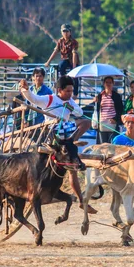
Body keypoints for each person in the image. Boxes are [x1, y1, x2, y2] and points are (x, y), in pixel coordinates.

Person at [19, 75, 96, 214]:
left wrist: (70, 107)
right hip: (53, 133)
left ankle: (80, 201)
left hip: (66, 135)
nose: (70, 94)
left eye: (71, 91)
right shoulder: (50, 99)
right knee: (66, 127)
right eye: (67, 91)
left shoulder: (70, 101)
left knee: (85, 123)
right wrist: (25, 90)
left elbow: (80, 112)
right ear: (59, 90)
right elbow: (34, 99)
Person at [94, 76, 124, 143]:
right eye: (106, 82)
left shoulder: (116, 96)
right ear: (104, 84)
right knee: (103, 146)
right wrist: (96, 101)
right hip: (102, 123)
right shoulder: (100, 96)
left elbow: (120, 109)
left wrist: (115, 119)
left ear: (113, 83)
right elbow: (97, 109)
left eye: (110, 82)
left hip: (112, 123)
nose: (108, 84)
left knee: (113, 145)